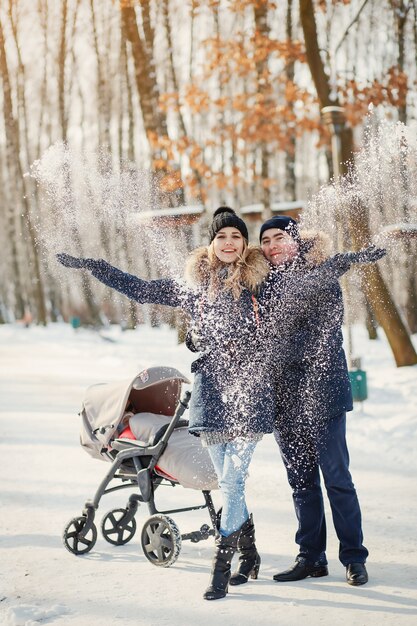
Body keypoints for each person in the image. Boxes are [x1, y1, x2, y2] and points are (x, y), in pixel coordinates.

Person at [57, 207, 275, 601]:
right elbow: (140, 289)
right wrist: (95, 266)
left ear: (245, 245)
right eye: (222, 236)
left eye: (236, 237)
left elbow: (301, 287)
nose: (229, 243)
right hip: (212, 393)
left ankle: (221, 572)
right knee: (229, 480)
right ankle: (251, 553)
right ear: (211, 244)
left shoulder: (261, 284)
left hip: (248, 392)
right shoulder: (195, 287)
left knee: (231, 480)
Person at [258, 215, 372, 587]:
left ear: (296, 240)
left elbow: (321, 335)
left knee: (337, 478)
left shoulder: (322, 275)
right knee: (301, 482)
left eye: (280, 237)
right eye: (266, 240)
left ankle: (354, 557)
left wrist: (273, 348)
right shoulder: (262, 286)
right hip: (284, 398)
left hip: (322, 393)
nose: (272, 245)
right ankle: (311, 556)